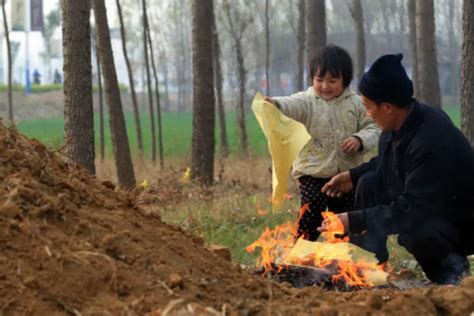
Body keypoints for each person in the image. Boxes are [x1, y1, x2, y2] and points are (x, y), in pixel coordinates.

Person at [319, 53, 474, 285]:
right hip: (426, 204)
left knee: (416, 233)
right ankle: (368, 269)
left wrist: (351, 219)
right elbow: (387, 165)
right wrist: (353, 176)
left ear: (388, 107)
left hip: (460, 219)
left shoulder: (430, 140)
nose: (367, 114)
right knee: (369, 183)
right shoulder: (398, 123)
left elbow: (410, 211)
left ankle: (454, 278)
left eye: (368, 107)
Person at [265, 45, 380, 241]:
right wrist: (275, 104)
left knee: (343, 218)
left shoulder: (356, 103)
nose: (325, 86)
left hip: (345, 176)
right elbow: (291, 104)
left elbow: (374, 127)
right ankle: (302, 251)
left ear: (345, 80)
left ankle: (341, 259)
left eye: (332, 81)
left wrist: (359, 139)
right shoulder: (307, 101)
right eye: (320, 80)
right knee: (312, 209)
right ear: (312, 79)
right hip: (312, 172)